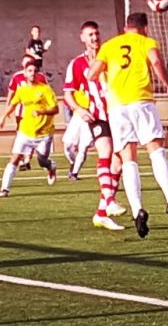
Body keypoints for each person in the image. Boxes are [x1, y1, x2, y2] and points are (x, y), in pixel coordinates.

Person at [87, 12, 168, 238]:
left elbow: (91, 74)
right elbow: (155, 61)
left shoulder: (109, 45)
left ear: (126, 28)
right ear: (144, 28)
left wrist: (105, 74)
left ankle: (137, 211)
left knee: (128, 159)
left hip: (117, 108)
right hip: (142, 102)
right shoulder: (147, 42)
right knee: (156, 152)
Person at [62, 21, 126, 230]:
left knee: (119, 163)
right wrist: (79, 110)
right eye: (89, 34)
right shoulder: (77, 64)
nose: (94, 38)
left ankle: (101, 214)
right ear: (82, 38)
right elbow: (68, 93)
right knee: (105, 152)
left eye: (96, 33)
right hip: (97, 115)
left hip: (116, 113)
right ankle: (109, 201)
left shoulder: (110, 56)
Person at [0, 60, 58, 198]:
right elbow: (13, 104)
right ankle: (4, 189)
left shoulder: (45, 89)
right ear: (24, 73)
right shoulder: (22, 90)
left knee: (42, 160)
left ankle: (51, 166)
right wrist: (3, 117)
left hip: (44, 132)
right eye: (29, 71)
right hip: (25, 131)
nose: (32, 74)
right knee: (15, 158)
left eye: (35, 71)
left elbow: (55, 109)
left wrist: (41, 112)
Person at [6, 55, 48, 171]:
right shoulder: (17, 77)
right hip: (21, 111)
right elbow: (11, 92)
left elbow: (46, 92)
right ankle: (23, 159)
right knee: (22, 134)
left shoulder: (40, 77)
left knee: (33, 135)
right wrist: (7, 108)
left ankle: (27, 160)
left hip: (35, 113)